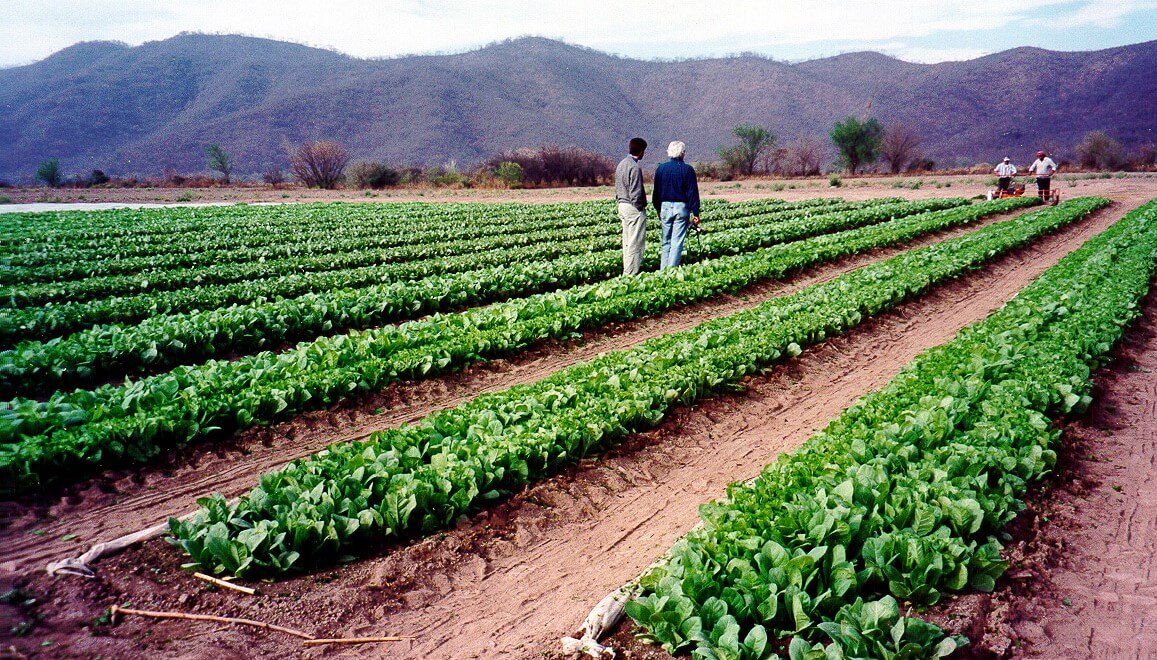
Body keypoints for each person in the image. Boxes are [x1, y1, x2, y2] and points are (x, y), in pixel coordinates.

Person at [651, 141, 700, 269]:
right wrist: (696, 213)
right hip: (681, 208)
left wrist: (658, 208)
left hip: (665, 207)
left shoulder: (661, 169)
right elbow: (692, 192)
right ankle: (671, 271)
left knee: (665, 241)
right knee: (676, 241)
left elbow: (656, 192)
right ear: (682, 153)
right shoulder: (688, 170)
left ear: (669, 152)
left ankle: (663, 270)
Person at [614, 137, 648, 276]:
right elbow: (636, 192)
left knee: (627, 242)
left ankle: (626, 271)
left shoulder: (621, 164)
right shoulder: (634, 167)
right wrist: (640, 208)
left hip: (622, 205)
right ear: (640, 151)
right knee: (635, 243)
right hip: (633, 207)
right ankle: (631, 274)